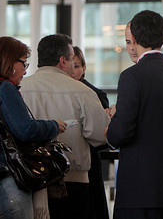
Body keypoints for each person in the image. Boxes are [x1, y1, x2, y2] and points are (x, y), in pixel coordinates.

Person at [107, 10, 163, 219]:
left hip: (139, 192)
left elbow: (120, 133)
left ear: (135, 39)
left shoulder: (132, 77)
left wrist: (111, 125)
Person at [0, 36, 66, 219]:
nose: (24, 70)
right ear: (9, 61)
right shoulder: (4, 88)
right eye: (23, 63)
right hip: (9, 179)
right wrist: (53, 125)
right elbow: (25, 129)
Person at [21, 34, 110, 219]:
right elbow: (101, 135)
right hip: (72, 182)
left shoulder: (20, 89)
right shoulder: (83, 91)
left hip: (28, 180)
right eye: (71, 60)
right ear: (63, 61)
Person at [71, 46, 110, 219]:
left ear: (84, 68)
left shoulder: (95, 94)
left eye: (78, 66)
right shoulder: (62, 91)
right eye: (71, 65)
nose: (74, 70)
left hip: (90, 157)